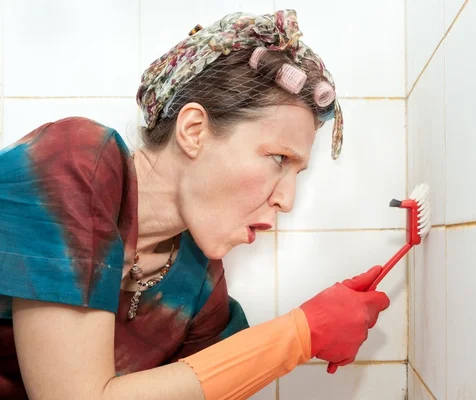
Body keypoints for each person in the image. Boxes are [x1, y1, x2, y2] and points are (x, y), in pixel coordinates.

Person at [0, 10, 391, 400]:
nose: (286, 200)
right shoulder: (75, 162)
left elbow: (212, 381)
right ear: (193, 131)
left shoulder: (199, 281)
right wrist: (300, 334)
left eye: (297, 172)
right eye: (278, 159)